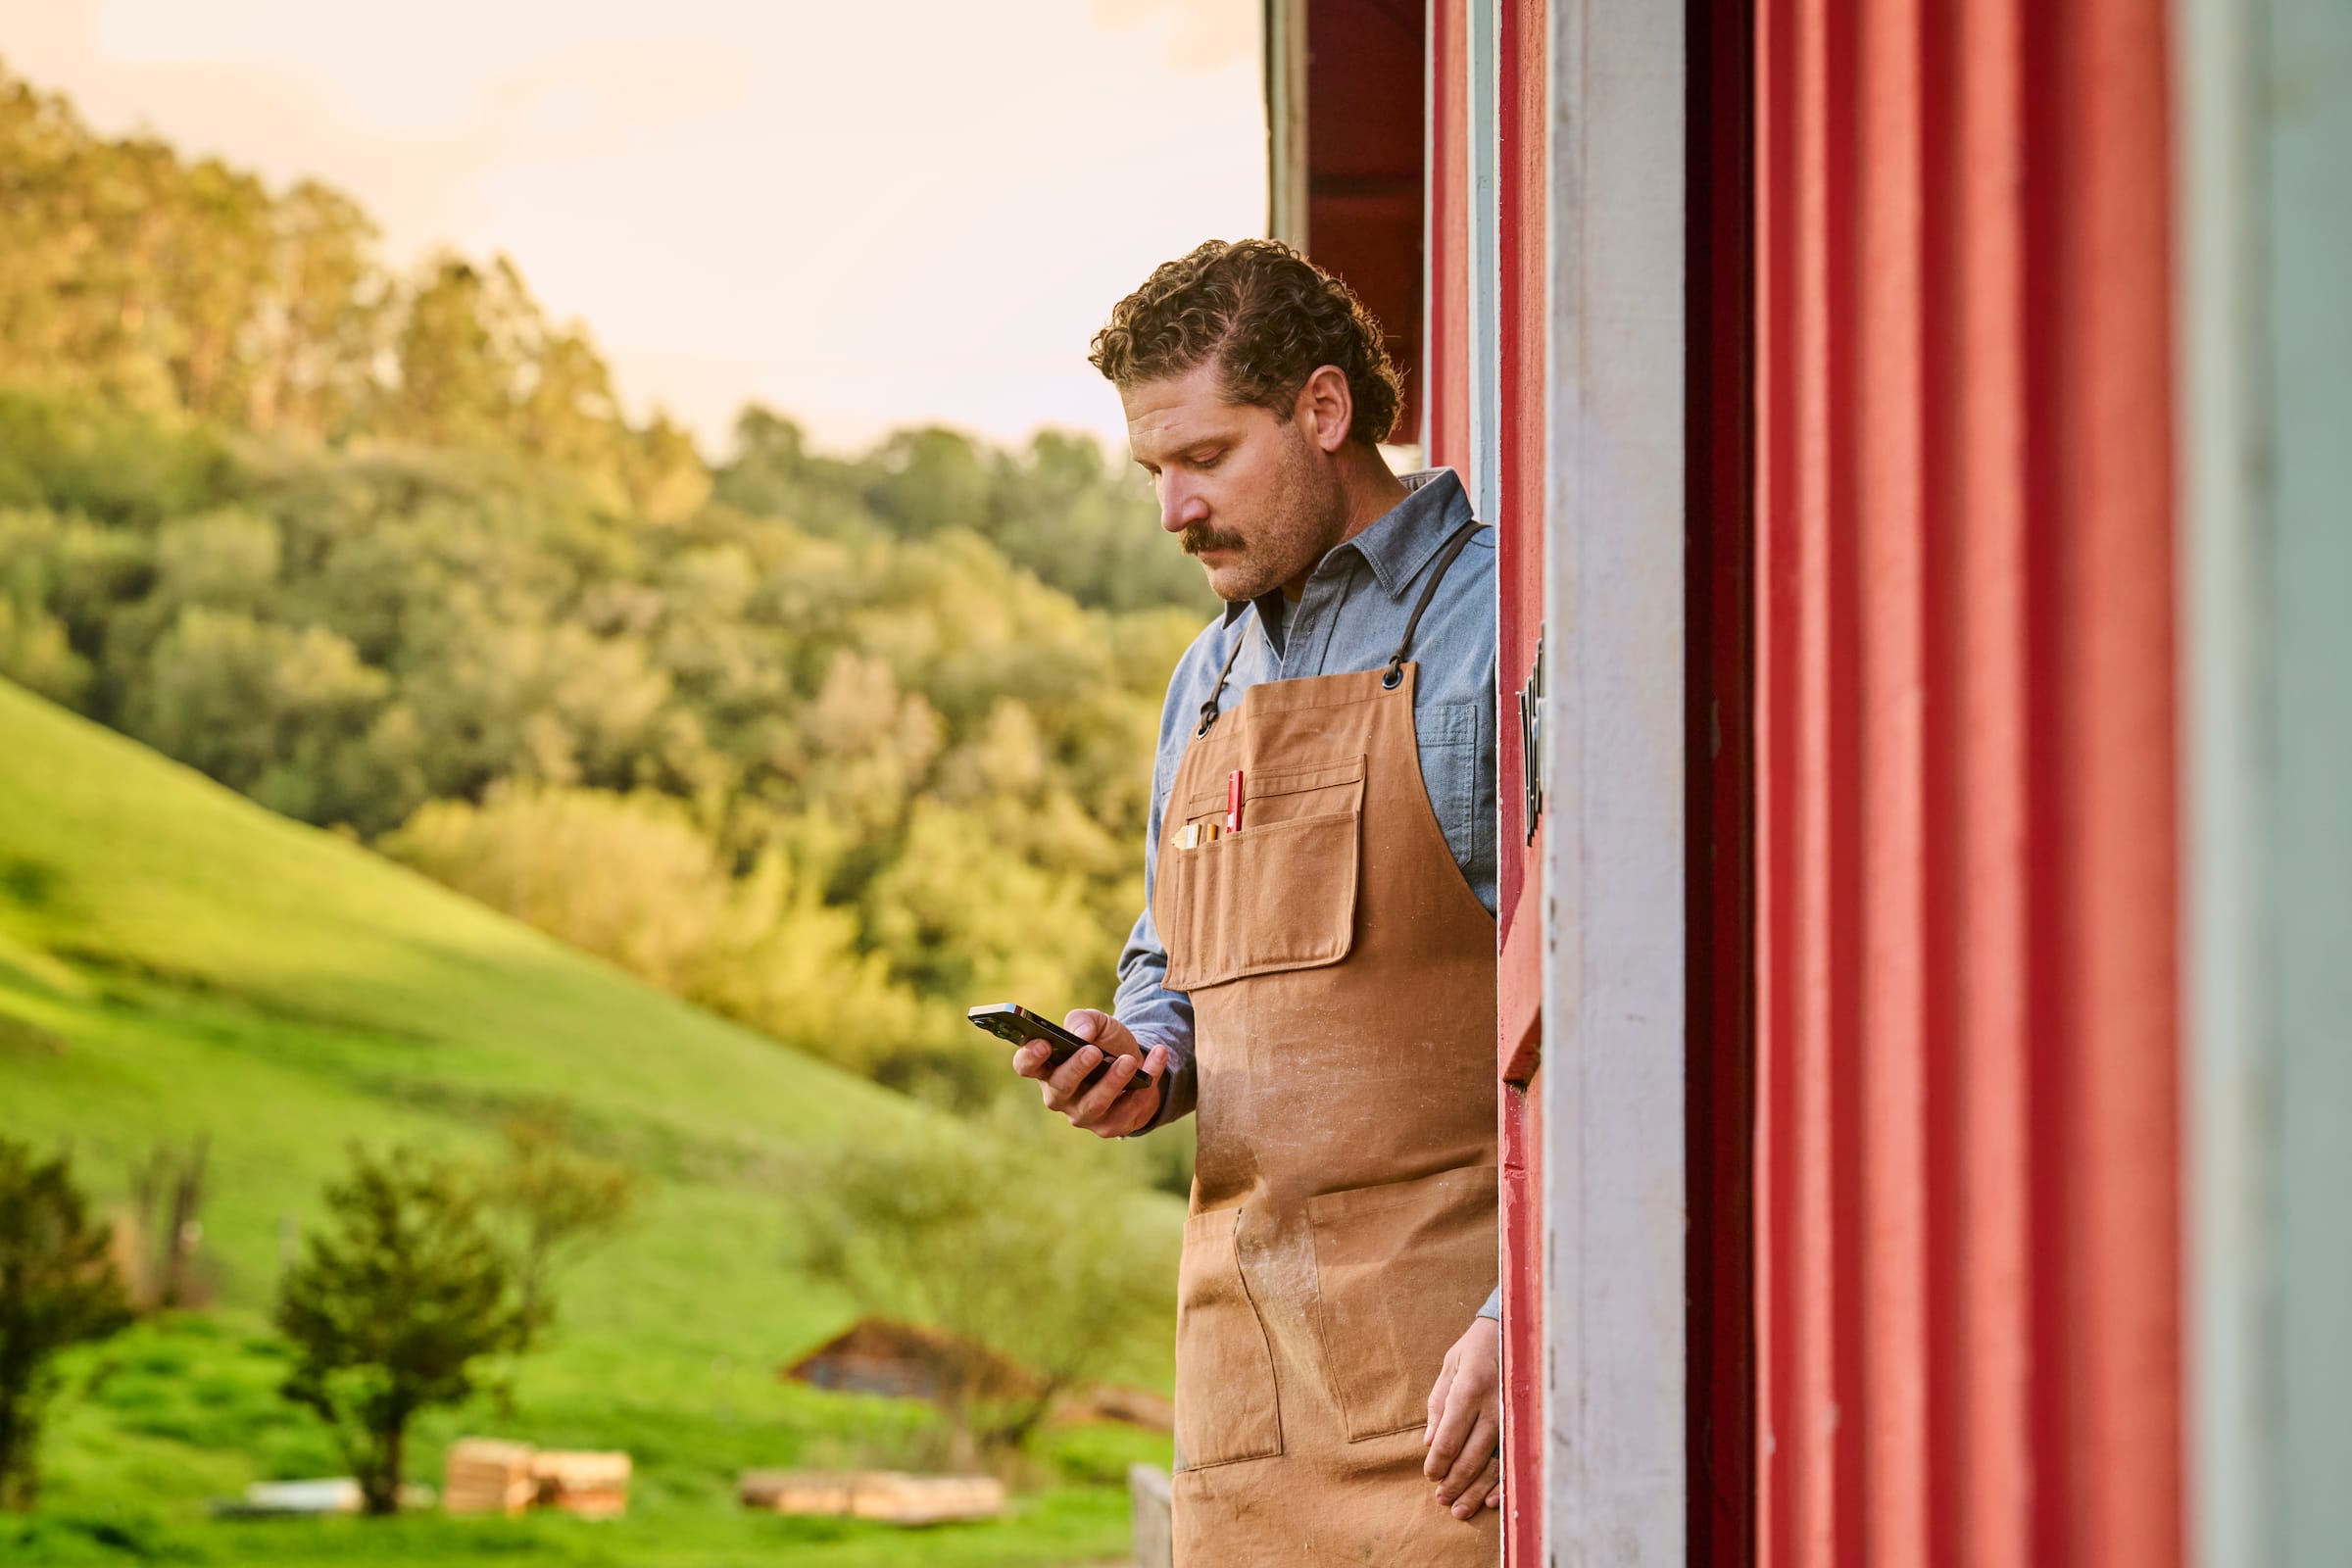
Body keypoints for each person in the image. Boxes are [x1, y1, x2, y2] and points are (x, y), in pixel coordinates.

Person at [1009, 238, 1503, 1565]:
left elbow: (1604, 1009)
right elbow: (1168, 958)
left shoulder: (1498, 624)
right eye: (1152, 473)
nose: (1174, 511)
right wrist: (1145, 1056)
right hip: (1246, 1405)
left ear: (1323, 412)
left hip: (1464, 1412)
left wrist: (1536, 1319)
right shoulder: (1204, 680)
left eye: (1205, 458)